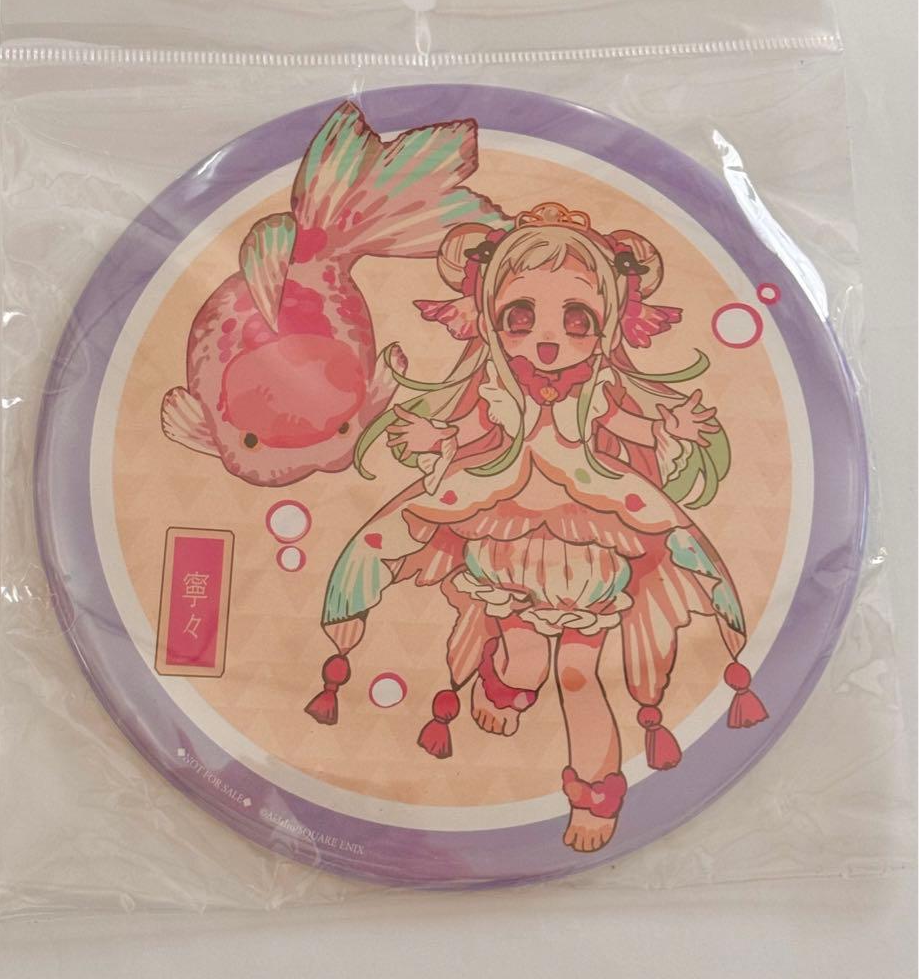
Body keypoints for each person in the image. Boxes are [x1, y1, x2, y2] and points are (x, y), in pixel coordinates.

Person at [305, 201, 767, 853]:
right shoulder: (496, 386)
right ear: (489, 319)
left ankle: (596, 791)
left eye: (576, 320)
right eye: (519, 318)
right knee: (522, 656)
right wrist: (436, 438)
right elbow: (468, 430)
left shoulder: (598, 389)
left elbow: (628, 427)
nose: (547, 340)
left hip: (591, 550)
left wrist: (671, 429)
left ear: (607, 325)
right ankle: (507, 681)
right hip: (504, 539)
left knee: (578, 675)